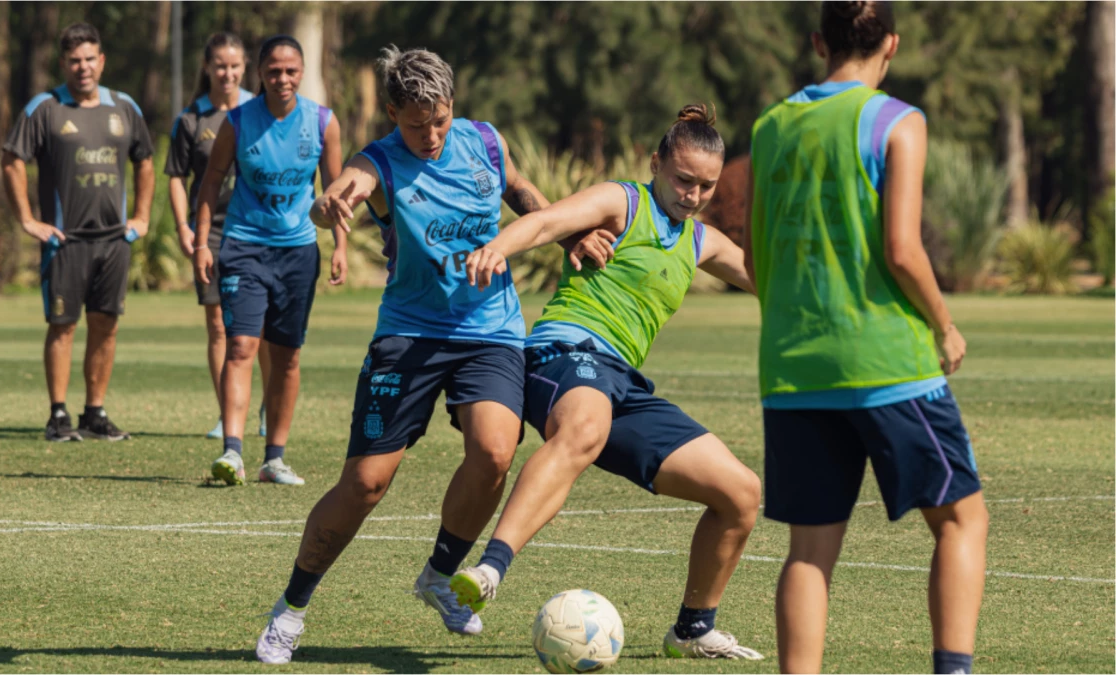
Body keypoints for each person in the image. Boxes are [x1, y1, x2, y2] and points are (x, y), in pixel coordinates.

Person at [253, 46, 556, 665]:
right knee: (366, 483)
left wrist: (569, 229)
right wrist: (328, 206)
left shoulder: (484, 141)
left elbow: (519, 189)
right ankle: (291, 608)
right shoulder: (380, 162)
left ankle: (440, 575)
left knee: (495, 452)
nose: (431, 135)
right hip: (409, 335)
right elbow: (345, 189)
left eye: (440, 119)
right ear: (393, 114)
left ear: (452, 106)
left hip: (491, 330)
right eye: (416, 124)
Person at [450, 105, 765, 661]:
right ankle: (492, 568)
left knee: (740, 493)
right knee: (585, 427)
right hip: (565, 355)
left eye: (706, 186)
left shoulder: (701, 241)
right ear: (656, 164)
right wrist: (498, 248)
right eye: (683, 180)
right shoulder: (623, 202)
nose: (693, 195)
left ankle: (693, 629)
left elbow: (773, 285)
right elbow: (547, 223)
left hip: (624, 384)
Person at [743, 3, 989, 673]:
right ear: (892, 45)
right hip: (886, 364)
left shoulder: (769, 126)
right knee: (961, 520)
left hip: (793, 369)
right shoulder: (896, 121)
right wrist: (944, 324)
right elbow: (903, 250)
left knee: (809, 551)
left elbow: (757, 262)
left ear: (818, 42)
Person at [193, 34, 347, 486]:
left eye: (291, 71)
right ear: (260, 73)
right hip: (243, 247)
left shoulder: (322, 122)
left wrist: (340, 245)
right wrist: (202, 243)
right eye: (274, 71)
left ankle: (274, 460)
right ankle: (233, 452)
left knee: (287, 356)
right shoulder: (238, 122)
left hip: (298, 252)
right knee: (241, 346)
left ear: (302, 72)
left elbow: (335, 190)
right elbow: (210, 183)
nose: (282, 79)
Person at [1, 22, 154, 442]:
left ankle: (95, 412)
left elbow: (145, 160)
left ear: (101, 61)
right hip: (64, 241)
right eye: (74, 60)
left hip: (115, 240)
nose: (82, 67)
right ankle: (58, 415)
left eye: (89, 59)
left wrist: (141, 217)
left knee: (106, 325)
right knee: (63, 325)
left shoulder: (124, 107)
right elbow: (12, 160)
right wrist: (27, 220)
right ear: (63, 64)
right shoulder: (45, 108)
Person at [166, 32, 271, 441]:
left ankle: (269, 406)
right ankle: (228, 413)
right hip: (210, 233)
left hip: (256, 229)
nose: (227, 73)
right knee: (218, 325)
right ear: (207, 67)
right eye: (220, 66)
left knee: (264, 326)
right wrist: (185, 227)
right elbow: (177, 178)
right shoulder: (191, 119)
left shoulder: (259, 111)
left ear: (245, 68)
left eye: (234, 66)